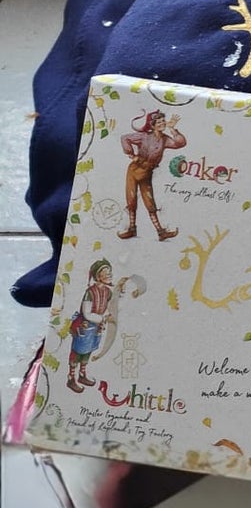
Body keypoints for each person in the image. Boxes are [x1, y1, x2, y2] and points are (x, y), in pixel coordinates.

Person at [119, 109, 186, 240]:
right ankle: (132, 229)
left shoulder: (165, 140)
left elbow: (180, 143)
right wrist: (132, 154)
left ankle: (161, 232)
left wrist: (172, 129)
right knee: (131, 199)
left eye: (163, 121)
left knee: (149, 201)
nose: (162, 123)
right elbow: (124, 138)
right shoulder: (144, 136)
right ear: (153, 125)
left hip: (147, 172)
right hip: (134, 170)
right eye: (159, 122)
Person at [65, 258, 116, 391]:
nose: (109, 275)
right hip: (84, 327)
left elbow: (109, 307)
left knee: (89, 350)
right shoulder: (90, 292)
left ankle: (82, 374)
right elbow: (87, 313)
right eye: (106, 273)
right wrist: (102, 318)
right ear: (98, 276)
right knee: (78, 351)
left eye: (110, 272)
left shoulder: (108, 292)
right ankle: (71, 378)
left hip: (96, 328)